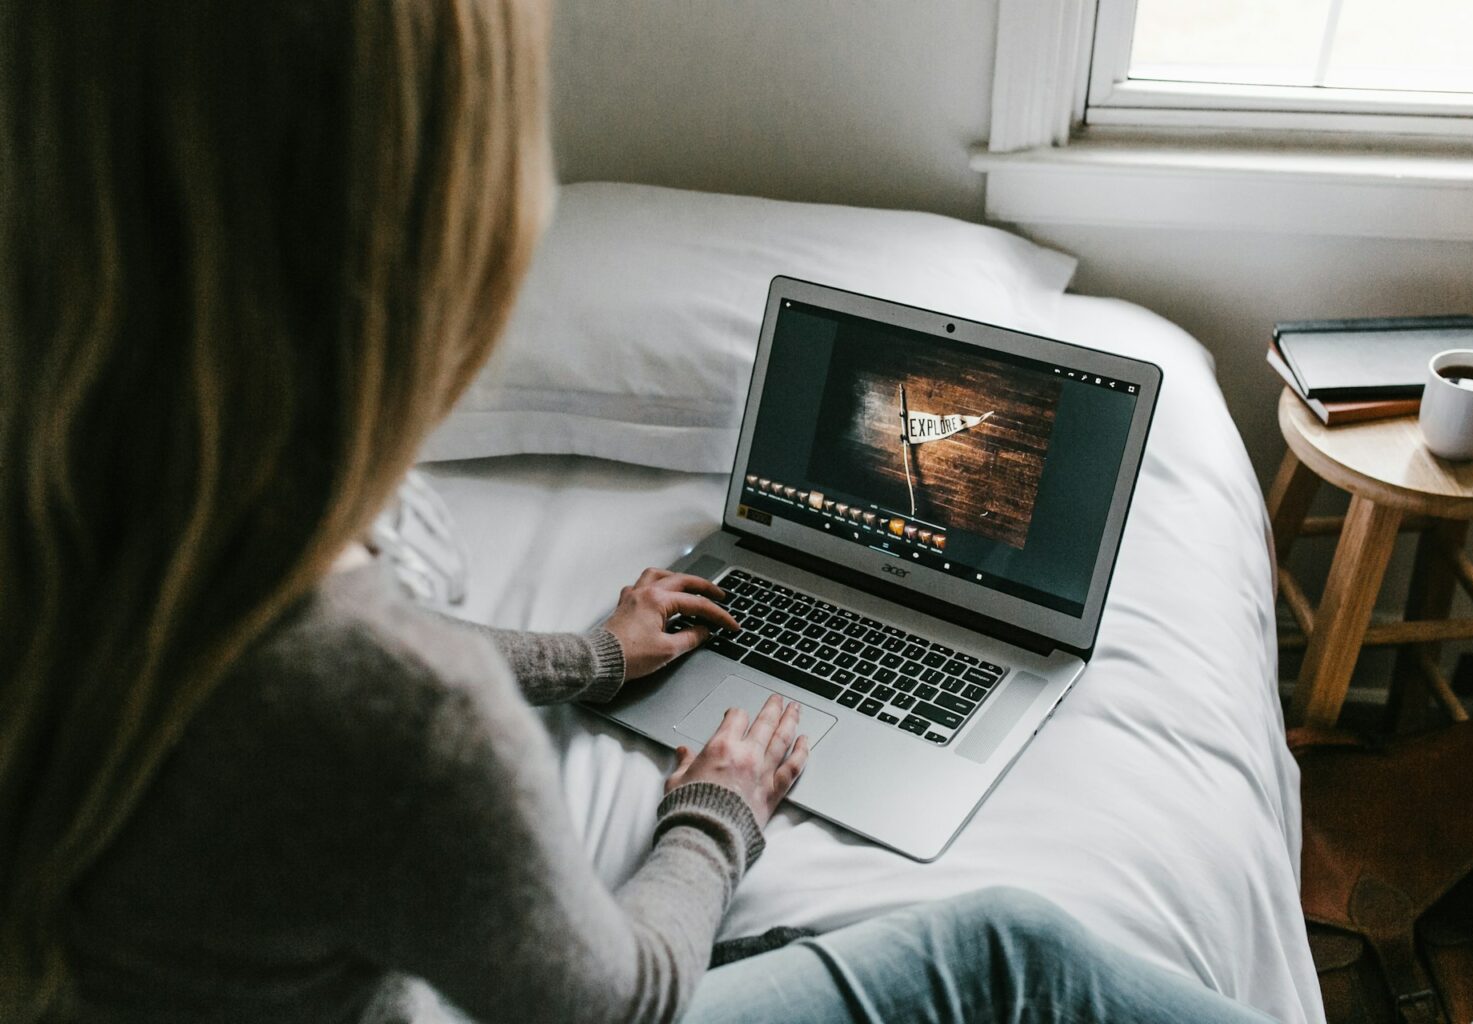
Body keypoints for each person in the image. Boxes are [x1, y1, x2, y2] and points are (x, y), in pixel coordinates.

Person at [0, 1, 1278, 1021]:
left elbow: (269, 666)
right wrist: (720, 808)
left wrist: (592, 657)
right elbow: (623, 997)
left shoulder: (86, 526)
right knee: (1015, 956)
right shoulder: (402, 717)